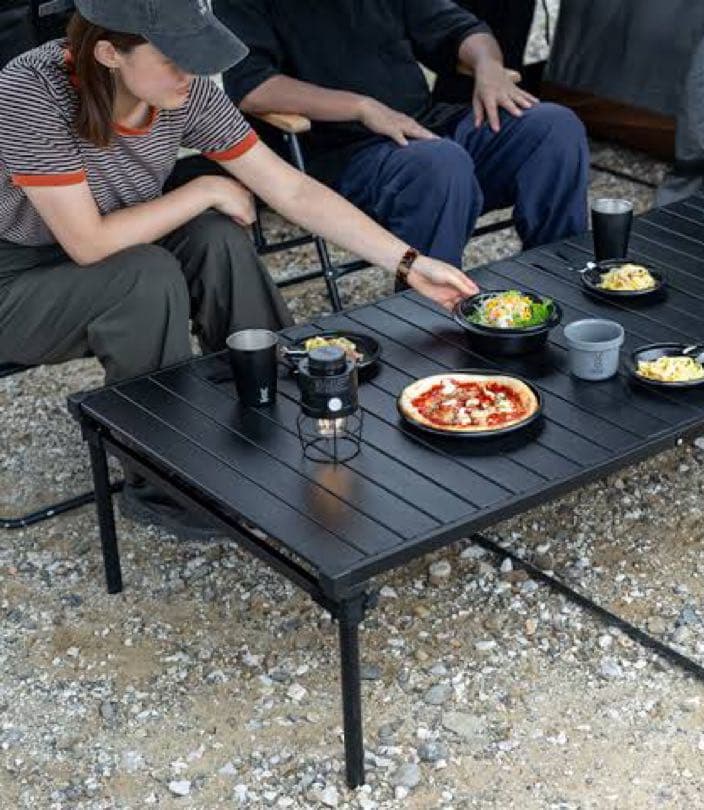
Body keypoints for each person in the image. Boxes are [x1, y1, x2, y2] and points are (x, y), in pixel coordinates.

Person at [0, 0, 478, 538]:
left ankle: (276, 414)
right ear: (110, 53)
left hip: (117, 241)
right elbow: (88, 243)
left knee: (216, 237)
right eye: (174, 58)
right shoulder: (31, 89)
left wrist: (410, 263)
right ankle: (163, 476)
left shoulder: (183, 89)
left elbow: (291, 189)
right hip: (18, 279)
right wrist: (204, 187)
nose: (192, 71)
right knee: (146, 274)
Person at [216, 0, 590, 269]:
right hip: (342, 154)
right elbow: (252, 88)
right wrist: (362, 107)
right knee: (439, 164)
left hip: (422, 127)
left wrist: (488, 66)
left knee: (553, 127)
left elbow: (461, 29)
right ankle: (432, 319)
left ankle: (560, 276)